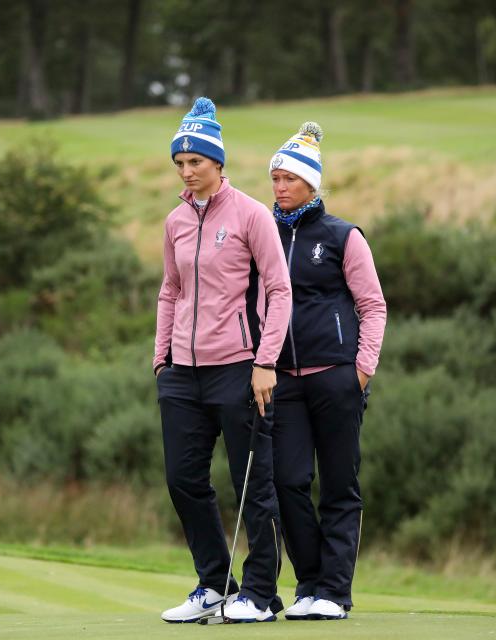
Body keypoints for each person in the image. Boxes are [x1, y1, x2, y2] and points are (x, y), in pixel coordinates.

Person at [154, 97, 292, 623]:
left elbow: (280, 291)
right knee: (182, 479)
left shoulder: (252, 214)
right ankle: (213, 584)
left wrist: (265, 361)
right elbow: (170, 290)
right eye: (180, 164)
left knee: (253, 483)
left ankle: (259, 592)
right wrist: (160, 357)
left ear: (218, 163)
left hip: (240, 367)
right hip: (182, 375)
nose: (187, 173)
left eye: (196, 163)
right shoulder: (174, 221)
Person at [266, 122, 387, 621]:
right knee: (289, 481)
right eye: (274, 178)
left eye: (289, 178)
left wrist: (360, 371)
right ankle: (310, 585)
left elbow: (373, 306)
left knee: (339, 484)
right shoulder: (264, 232)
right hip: (283, 379)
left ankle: (335, 593)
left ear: (312, 183)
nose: (280, 186)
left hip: (336, 375)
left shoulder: (343, 236)